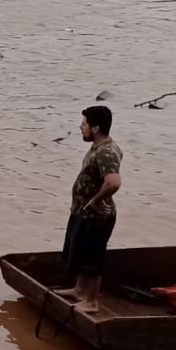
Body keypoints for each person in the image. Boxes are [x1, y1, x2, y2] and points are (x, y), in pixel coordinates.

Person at [59, 104, 123, 315]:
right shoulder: (100, 147)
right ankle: (79, 290)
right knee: (80, 253)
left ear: (95, 128)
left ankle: (91, 301)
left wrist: (96, 200)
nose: (81, 127)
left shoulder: (106, 152)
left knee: (92, 258)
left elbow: (113, 182)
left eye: (84, 124)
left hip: (96, 215)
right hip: (84, 212)